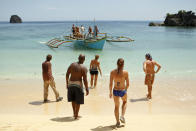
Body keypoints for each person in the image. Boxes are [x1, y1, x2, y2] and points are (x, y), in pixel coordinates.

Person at [66, 54, 89, 119]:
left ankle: (74, 113)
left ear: (78, 58)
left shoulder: (72, 64)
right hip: (78, 84)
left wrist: (67, 83)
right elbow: (85, 79)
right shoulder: (84, 67)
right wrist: (87, 88)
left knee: (73, 99)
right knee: (78, 101)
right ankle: (76, 114)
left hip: (70, 83)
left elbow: (67, 74)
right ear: (84, 59)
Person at [109, 58, 129, 127]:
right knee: (125, 102)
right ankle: (122, 116)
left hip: (115, 91)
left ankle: (117, 122)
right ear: (123, 64)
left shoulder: (112, 72)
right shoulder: (125, 72)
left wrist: (110, 92)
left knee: (116, 106)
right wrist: (125, 90)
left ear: (117, 63)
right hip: (122, 90)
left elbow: (110, 84)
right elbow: (128, 84)